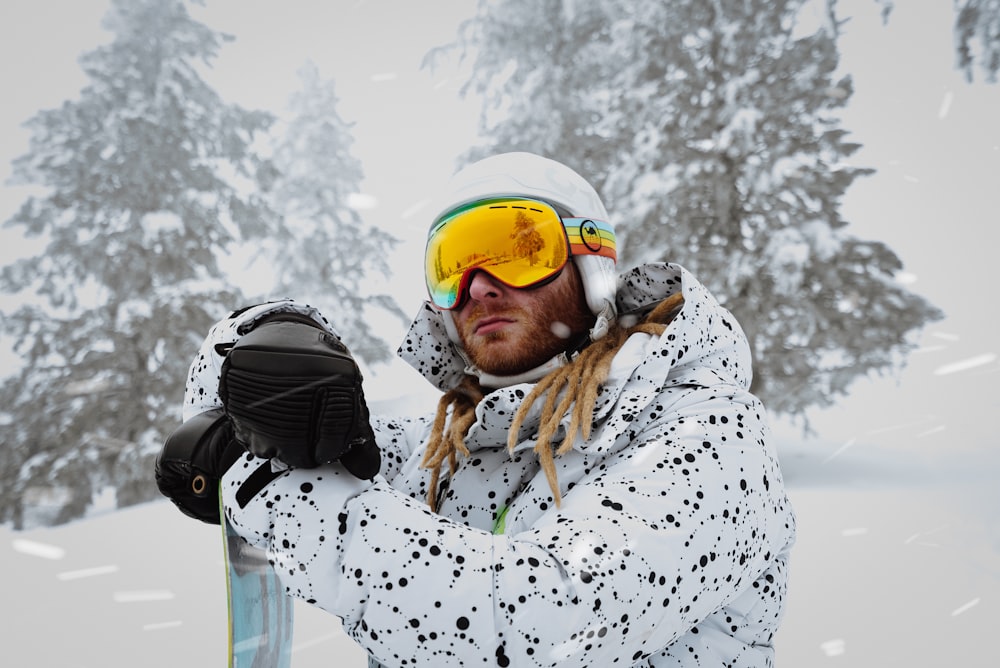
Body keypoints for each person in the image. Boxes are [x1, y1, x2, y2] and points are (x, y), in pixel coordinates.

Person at [156, 151, 796, 667]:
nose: (481, 286)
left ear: (593, 266)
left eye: (518, 250)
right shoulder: (444, 451)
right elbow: (224, 415)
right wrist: (265, 344)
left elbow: (533, 625)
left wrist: (274, 490)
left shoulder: (710, 435)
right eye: (454, 265)